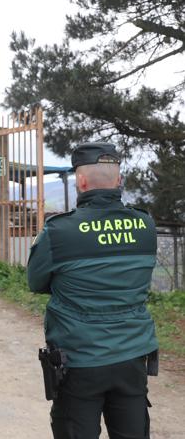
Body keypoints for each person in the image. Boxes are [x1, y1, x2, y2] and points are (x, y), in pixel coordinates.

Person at [28, 142, 159, 439]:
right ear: (119, 180)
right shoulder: (145, 226)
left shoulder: (59, 231)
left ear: (81, 182)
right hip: (132, 357)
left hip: (79, 359)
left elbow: (36, 283)